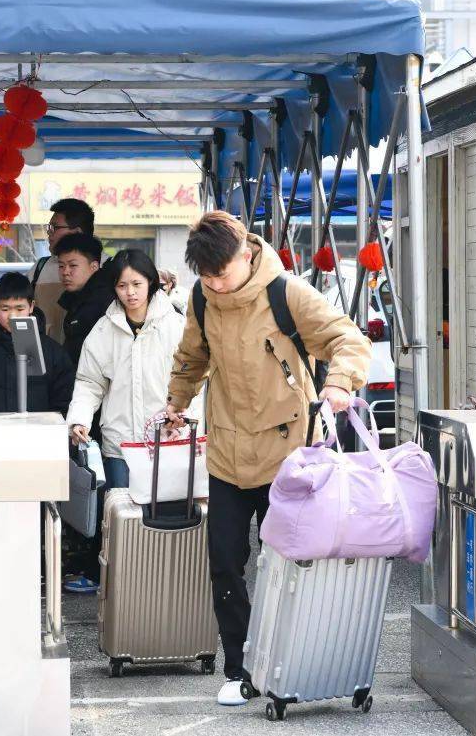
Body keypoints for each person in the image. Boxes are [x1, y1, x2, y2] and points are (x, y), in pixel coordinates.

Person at [164, 211, 372, 707]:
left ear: (246, 253)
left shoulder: (287, 292)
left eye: (222, 273)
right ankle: (240, 668)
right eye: (206, 276)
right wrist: (176, 401)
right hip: (227, 454)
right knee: (225, 563)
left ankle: (300, 660)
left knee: (293, 564)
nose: (215, 283)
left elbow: (349, 339)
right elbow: (192, 358)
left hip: (289, 457)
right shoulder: (201, 300)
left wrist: (340, 381)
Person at [0, 272, 75, 569]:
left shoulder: (50, 352)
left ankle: (36, 568)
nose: (12, 316)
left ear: (32, 307)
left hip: (36, 455)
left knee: (33, 516)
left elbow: (63, 400)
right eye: (5, 309)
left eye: (20, 309)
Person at [67, 249, 190, 491]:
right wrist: (80, 419)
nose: (130, 292)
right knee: (123, 520)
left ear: (151, 282)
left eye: (137, 284)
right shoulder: (103, 330)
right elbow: (89, 382)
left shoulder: (176, 326)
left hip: (169, 441)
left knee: (167, 520)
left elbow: (193, 379)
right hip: (120, 446)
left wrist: (185, 420)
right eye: (122, 285)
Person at [29, 198, 97, 344]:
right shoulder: (40, 269)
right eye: (61, 266)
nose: (49, 233)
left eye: (55, 227)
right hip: (47, 361)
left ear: (77, 232)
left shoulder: (109, 269)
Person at [54, 233, 114, 367]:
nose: (65, 272)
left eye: (72, 265)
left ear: (94, 267)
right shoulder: (77, 298)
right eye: (61, 266)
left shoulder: (104, 301)